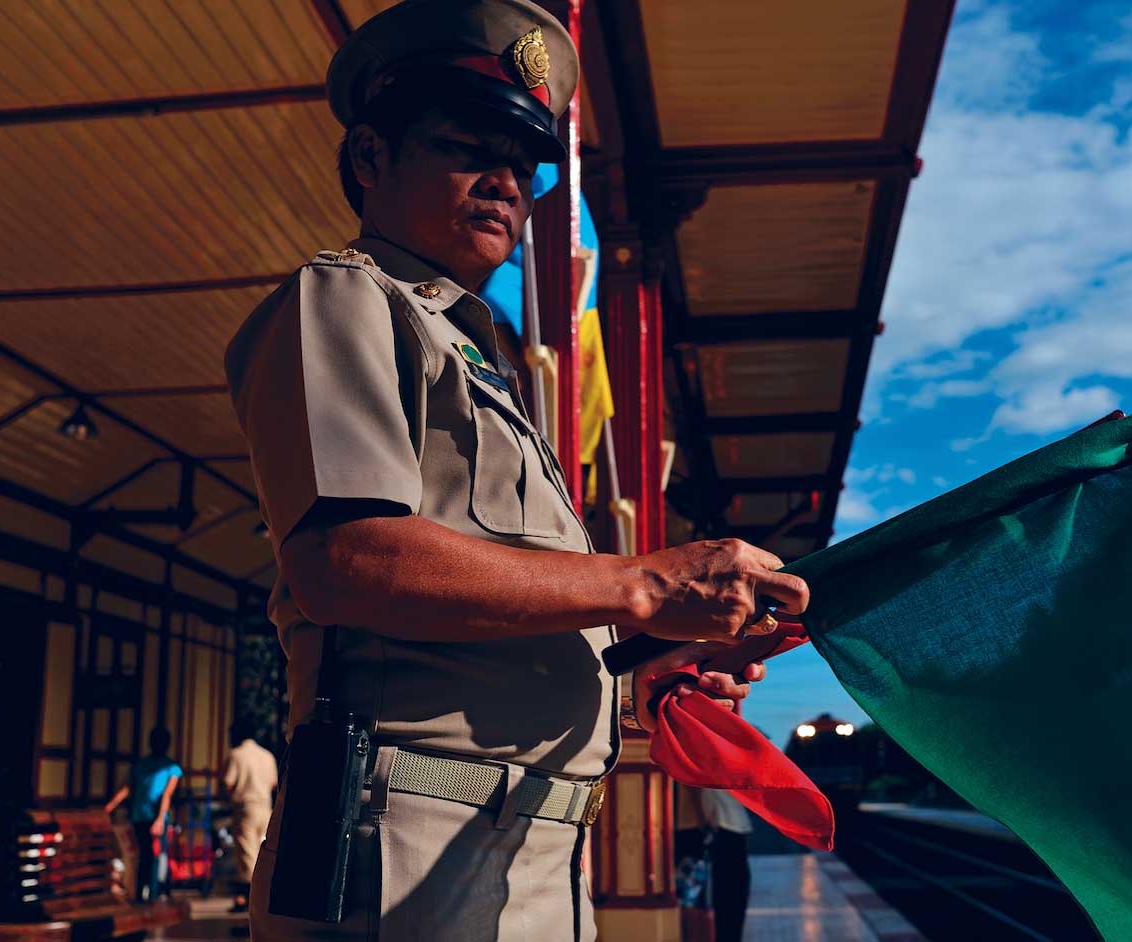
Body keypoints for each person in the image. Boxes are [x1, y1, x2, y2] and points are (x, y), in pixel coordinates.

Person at [224, 1, 810, 938]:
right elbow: (347, 561)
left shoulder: (475, 350)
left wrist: (643, 672)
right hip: (408, 842)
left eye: (525, 165)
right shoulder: (346, 300)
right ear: (372, 159)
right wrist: (642, 583)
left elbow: (490, 623)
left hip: (524, 847)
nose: (507, 183)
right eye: (467, 148)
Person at [104, 727, 182, 902]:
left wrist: (160, 819)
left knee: (153, 857)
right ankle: (139, 893)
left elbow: (166, 795)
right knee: (141, 856)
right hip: (140, 816)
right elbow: (128, 788)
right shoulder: (141, 765)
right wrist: (111, 806)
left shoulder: (171, 768)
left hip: (155, 818)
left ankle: (151, 895)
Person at [675, 785, 754, 942]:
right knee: (727, 900)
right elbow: (699, 783)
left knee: (716, 900)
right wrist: (705, 819)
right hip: (716, 824)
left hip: (720, 822)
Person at [220, 721, 278, 912]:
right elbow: (273, 783)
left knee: (248, 855)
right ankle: (259, 898)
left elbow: (228, 782)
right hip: (266, 808)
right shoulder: (267, 756)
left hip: (246, 809)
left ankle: (252, 900)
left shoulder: (237, 755)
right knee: (264, 852)